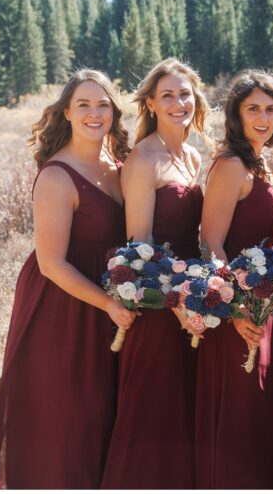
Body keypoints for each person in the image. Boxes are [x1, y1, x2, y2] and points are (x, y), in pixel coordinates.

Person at [0, 70, 131, 489]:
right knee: (63, 422)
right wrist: (108, 304)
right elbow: (51, 263)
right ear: (66, 112)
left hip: (112, 304)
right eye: (83, 104)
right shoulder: (57, 175)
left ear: (114, 112)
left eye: (102, 104)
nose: (94, 113)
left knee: (104, 418)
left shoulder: (121, 168)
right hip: (62, 310)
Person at [101, 58, 208, 489]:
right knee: (153, 413)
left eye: (185, 94)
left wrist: (203, 292)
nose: (178, 102)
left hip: (196, 298)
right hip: (157, 305)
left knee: (186, 412)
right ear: (150, 103)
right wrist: (176, 304)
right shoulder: (143, 159)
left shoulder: (194, 155)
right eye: (167, 95)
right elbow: (138, 247)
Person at [196, 69, 273, 488]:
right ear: (235, 113)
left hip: (270, 311)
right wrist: (234, 310)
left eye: (270, 110)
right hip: (237, 317)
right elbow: (209, 244)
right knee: (240, 425)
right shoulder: (231, 165)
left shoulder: (265, 163)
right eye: (253, 108)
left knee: (267, 420)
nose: (263, 117)